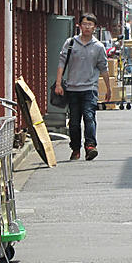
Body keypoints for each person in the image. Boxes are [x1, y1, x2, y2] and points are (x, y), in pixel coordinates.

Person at [54, 13, 111, 161]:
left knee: (89, 117)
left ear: (95, 27)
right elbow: (61, 63)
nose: (87, 27)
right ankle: (75, 148)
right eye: (84, 24)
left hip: (90, 89)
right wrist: (59, 83)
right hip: (72, 88)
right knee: (73, 122)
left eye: (90, 24)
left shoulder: (98, 47)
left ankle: (90, 146)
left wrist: (108, 88)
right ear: (79, 26)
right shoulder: (70, 43)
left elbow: (104, 68)